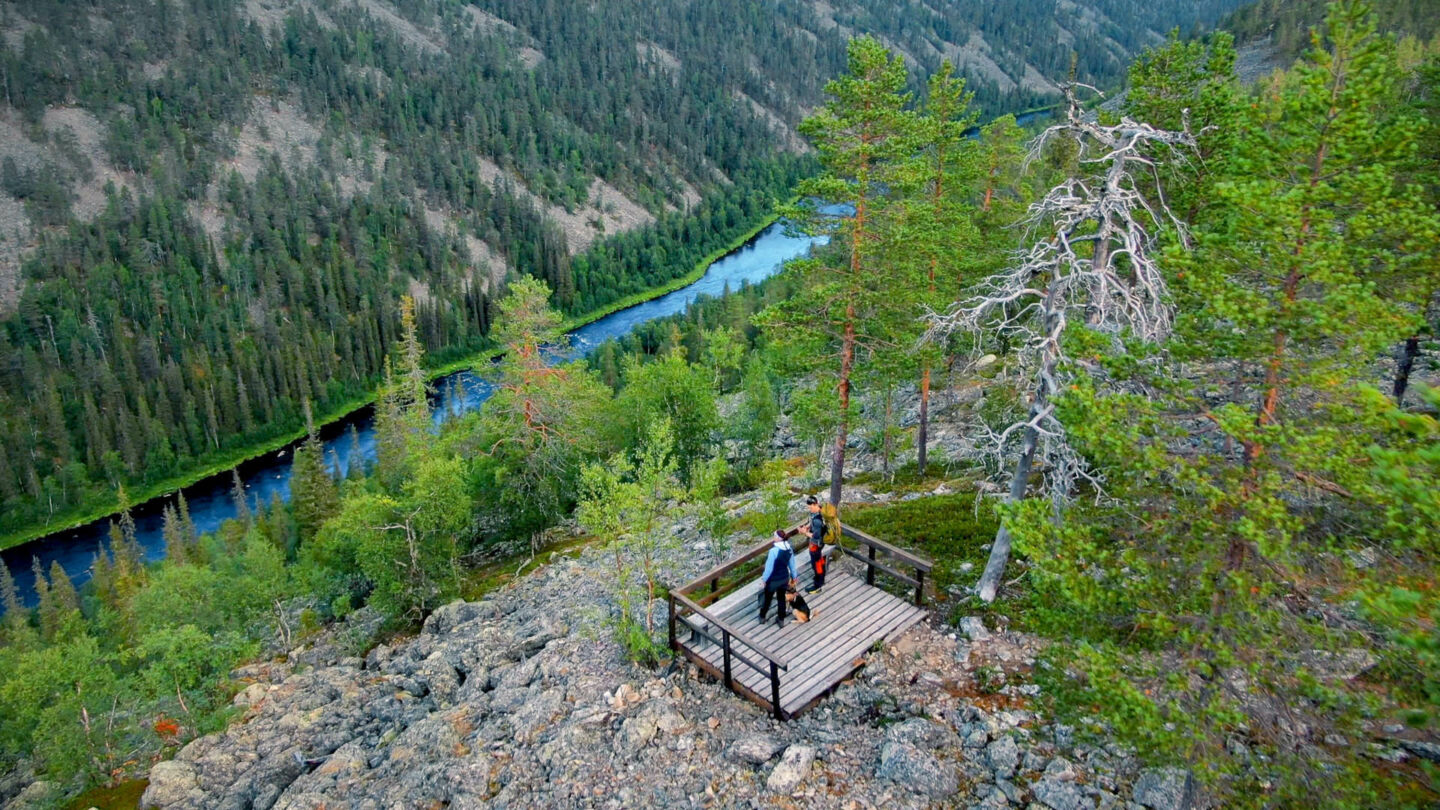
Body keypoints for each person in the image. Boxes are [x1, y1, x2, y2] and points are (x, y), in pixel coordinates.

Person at [757, 529, 797, 627]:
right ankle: (781, 619)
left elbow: (769, 568)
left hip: (773, 580)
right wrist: (794, 576)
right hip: (784, 578)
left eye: (774, 536)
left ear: (778, 539)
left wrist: (764, 580)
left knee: (767, 599)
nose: (773, 538)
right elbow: (792, 564)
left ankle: (762, 616)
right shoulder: (789, 549)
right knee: (781, 599)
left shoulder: (773, 551)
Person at [801, 495, 827, 594]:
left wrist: (804, 532)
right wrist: (806, 527)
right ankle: (821, 578)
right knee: (819, 561)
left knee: (816, 564)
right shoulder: (820, 512)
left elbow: (815, 536)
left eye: (810, 507)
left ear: (815, 504)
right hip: (821, 543)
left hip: (816, 544)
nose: (809, 509)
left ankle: (818, 585)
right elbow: (810, 522)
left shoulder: (817, 520)